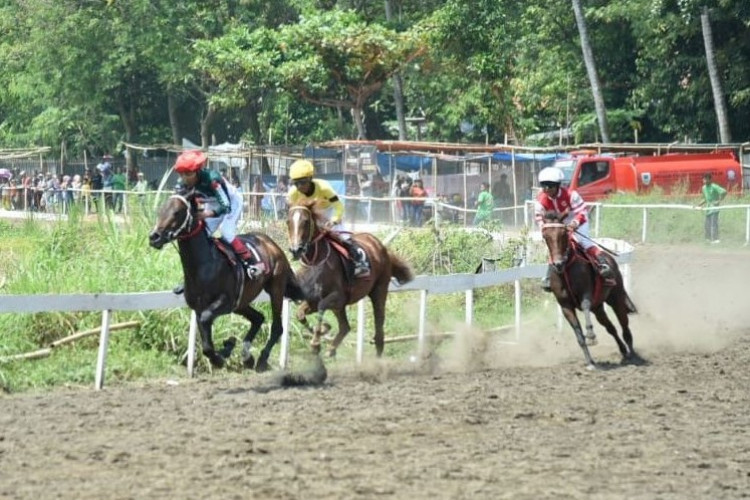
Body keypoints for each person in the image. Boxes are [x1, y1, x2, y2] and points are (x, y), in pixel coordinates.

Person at [174, 150, 264, 280]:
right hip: (212, 202)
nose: (185, 179)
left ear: (198, 171)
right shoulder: (183, 182)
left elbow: (225, 205)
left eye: (188, 174)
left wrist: (207, 214)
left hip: (231, 202)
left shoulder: (213, 179)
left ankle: (252, 263)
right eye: (182, 174)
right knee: (202, 234)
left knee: (226, 232)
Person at [534, 166, 613, 291]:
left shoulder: (571, 195)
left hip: (577, 221)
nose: (547, 189)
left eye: (550, 186)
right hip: (556, 226)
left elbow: (582, 211)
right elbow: (539, 218)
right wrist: (544, 229)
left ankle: (602, 264)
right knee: (555, 246)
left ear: (558, 185)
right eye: (544, 186)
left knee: (583, 242)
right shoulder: (540, 200)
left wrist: (574, 224)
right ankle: (548, 277)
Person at [287, 159, 369, 277]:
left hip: (330, 211)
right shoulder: (293, 193)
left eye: (303, 182)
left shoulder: (324, 188)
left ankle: (359, 262)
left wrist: (334, 220)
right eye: (296, 183)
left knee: (344, 237)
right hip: (309, 216)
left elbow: (339, 206)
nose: (300, 186)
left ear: (310, 179)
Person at [696, 172, 727, 243]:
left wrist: (719, 201)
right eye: (703, 179)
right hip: (708, 209)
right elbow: (705, 199)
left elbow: (724, 192)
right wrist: (699, 205)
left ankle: (715, 239)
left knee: (713, 224)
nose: (704, 181)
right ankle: (708, 240)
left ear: (710, 179)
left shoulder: (714, 186)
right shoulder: (703, 188)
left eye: (706, 179)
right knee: (707, 225)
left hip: (714, 208)